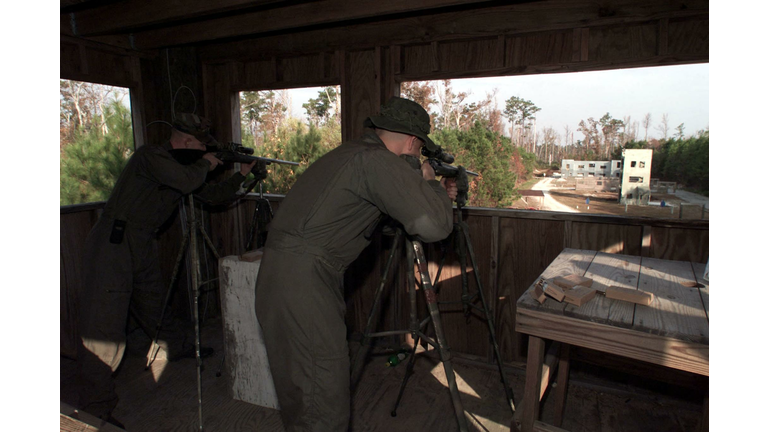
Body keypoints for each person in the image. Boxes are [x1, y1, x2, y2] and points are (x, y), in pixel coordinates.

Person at [254, 96, 458, 431]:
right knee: (323, 401)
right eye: (420, 149)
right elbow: (434, 226)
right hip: (305, 281)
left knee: (302, 392)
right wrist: (430, 184)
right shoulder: (376, 161)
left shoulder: (351, 153)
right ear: (412, 142)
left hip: (283, 273)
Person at [76, 112, 257, 424]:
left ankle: (177, 347)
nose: (203, 153)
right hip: (113, 245)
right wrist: (209, 163)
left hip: (141, 242)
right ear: (186, 141)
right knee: (103, 329)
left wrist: (241, 174)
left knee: (153, 302)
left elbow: (211, 196)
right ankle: (95, 409)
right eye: (202, 147)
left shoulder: (181, 168)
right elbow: (188, 180)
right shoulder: (151, 157)